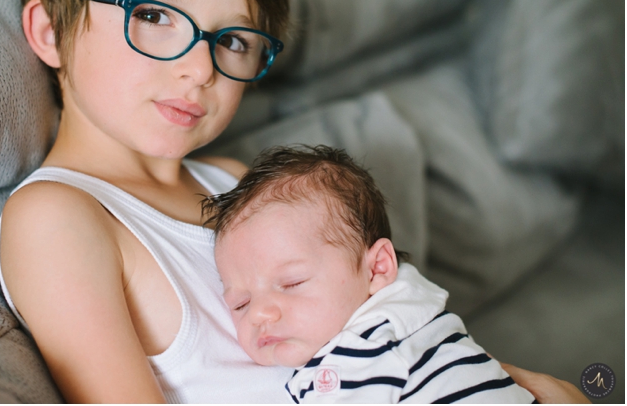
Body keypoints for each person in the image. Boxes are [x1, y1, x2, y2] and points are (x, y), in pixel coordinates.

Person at [0, 0, 590, 403]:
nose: (199, 68)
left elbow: (384, 337)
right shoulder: (57, 218)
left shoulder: (236, 183)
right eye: (153, 15)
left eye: (231, 39)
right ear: (50, 30)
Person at [204, 145, 535, 403]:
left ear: (377, 268)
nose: (260, 312)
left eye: (292, 283)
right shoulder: (413, 317)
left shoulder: (364, 353)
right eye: (240, 303)